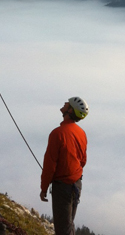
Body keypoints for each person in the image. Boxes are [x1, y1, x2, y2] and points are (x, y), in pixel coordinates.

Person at [40, 97, 89, 235]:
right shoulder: (81, 133)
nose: (65, 103)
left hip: (63, 187)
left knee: (63, 229)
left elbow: (50, 164)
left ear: (70, 110)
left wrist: (44, 188)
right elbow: (83, 160)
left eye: (68, 103)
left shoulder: (57, 134)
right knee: (68, 225)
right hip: (76, 184)